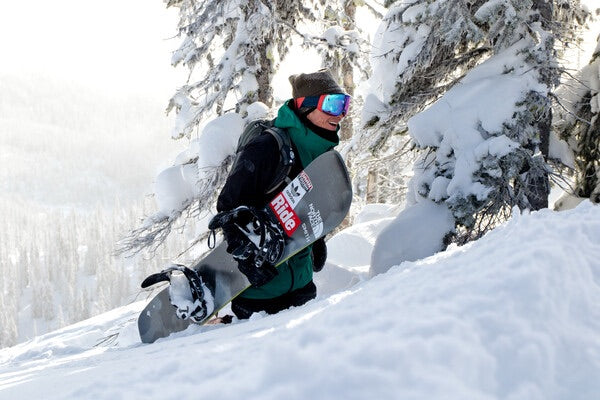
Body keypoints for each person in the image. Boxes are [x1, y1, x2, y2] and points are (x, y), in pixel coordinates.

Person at [213, 69, 351, 320]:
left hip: (302, 286)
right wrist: (244, 254)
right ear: (305, 107)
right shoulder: (266, 148)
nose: (340, 113)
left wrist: (315, 239)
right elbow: (228, 206)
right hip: (259, 296)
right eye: (332, 104)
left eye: (344, 104)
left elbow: (306, 207)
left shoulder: (319, 152)